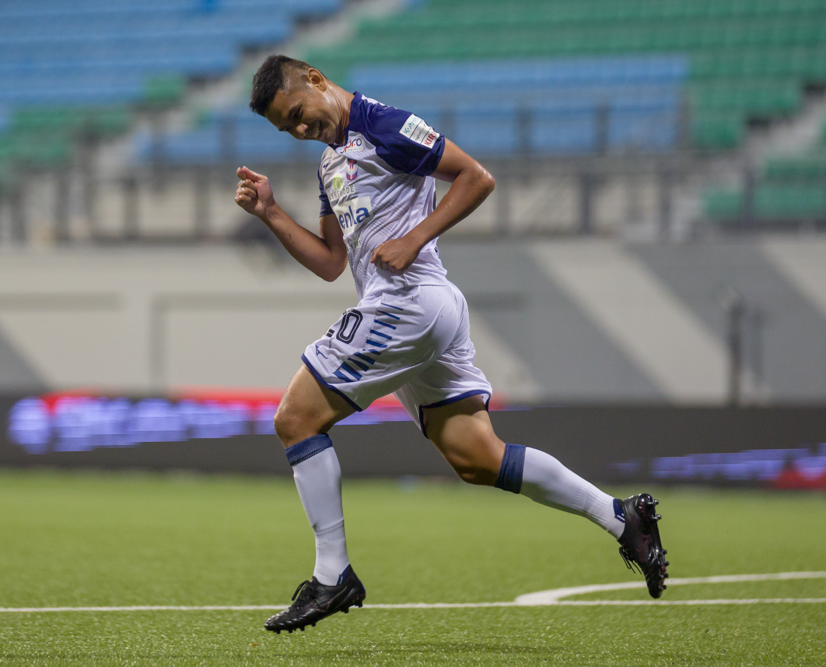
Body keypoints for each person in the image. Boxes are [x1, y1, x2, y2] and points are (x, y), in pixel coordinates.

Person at [234, 55, 668, 634]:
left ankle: (332, 575)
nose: (299, 129)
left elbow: (476, 177)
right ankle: (621, 517)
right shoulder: (329, 163)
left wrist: (414, 238)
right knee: (477, 458)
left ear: (315, 79)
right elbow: (332, 262)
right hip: (415, 312)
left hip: (409, 302)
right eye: (286, 128)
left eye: (297, 114)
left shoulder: (383, 123)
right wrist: (269, 213)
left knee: (295, 419)